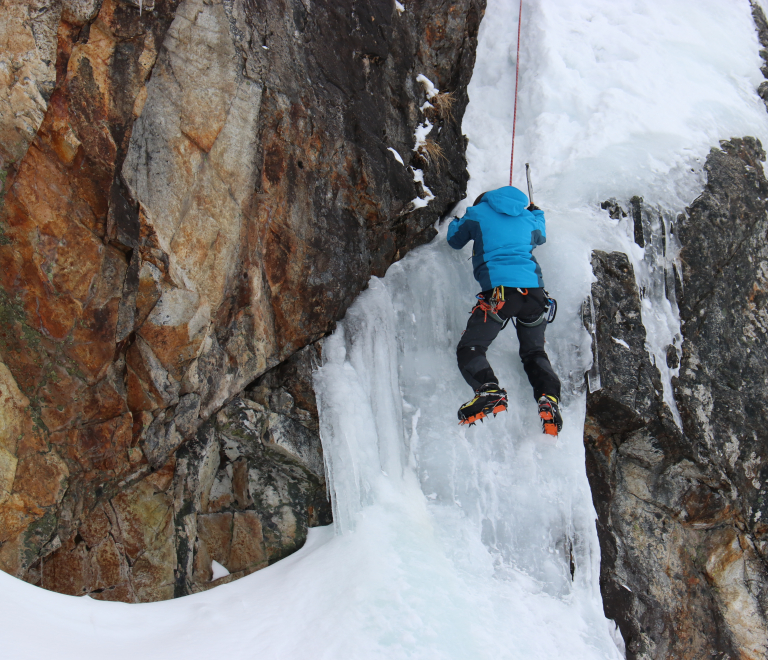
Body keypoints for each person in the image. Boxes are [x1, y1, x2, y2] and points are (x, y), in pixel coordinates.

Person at [446, 185, 563, 435]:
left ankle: (489, 390)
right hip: (535, 294)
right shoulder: (527, 216)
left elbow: (455, 241)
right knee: (534, 352)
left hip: (500, 294)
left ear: (484, 200)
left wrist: (454, 220)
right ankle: (549, 399)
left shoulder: (477, 213)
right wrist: (537, 212)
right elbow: (540, 235)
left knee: (471, 347)